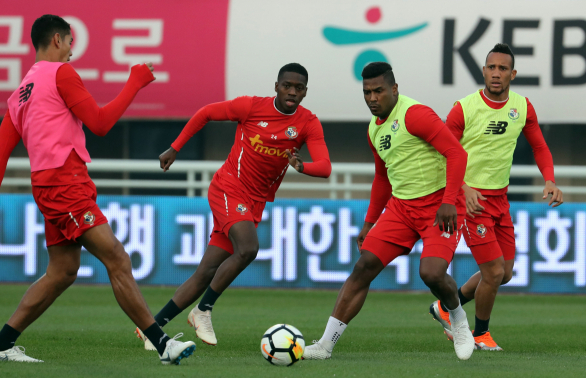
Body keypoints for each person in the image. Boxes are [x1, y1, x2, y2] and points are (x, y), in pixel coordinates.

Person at [0, 14, 195, 365]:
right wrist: (135, 83)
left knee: (62, 271)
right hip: (65, 184)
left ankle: (0, 345)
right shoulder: (61, 74)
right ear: (58, 40)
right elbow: (101, 123)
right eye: (71, 42)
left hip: (48, 186)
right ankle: (162, 343)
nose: (72, 52)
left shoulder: (19, 93)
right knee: (117, 257)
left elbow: (0, 153)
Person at [134, 63, 331, 349]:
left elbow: (324, 167)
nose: (292, 92)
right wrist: (175, 147)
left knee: (205, 272)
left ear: (305, 93)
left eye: (298, 88)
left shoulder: (307, 123)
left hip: (254, 202)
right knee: (249, 248)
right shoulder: (250, 107)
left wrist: (302, 166)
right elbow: (205, 114)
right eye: (287, 85)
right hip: (229, 187)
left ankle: (153, 329)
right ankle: (203, 311)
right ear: (276, 86)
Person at [303, 62, 475, 361]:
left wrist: (449, 200)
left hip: (439, 206)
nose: (372, 98)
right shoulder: (373, 129)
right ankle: (324, 345)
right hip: (401, 208)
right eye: (367, 92)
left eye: (378, 91)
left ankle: (457, 319)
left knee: (432, 273)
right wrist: (370, 222)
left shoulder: (415, 114)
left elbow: (456, 153)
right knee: (363, 266)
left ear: (394, 89)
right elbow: (382, 178)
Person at [428, 43, 563, 351]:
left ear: (512, 74)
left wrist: (550, 179)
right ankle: (479, 334)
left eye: (503, 68)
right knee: (494, 272)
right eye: (492, 67)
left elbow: (540, 146)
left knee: (506, 273)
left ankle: (446, 307)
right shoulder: (464, 108)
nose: (497, 73)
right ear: (483, 71)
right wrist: (462, 188)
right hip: (471, 201)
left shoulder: (522, 106)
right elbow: (440, 153)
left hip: (500, 201)